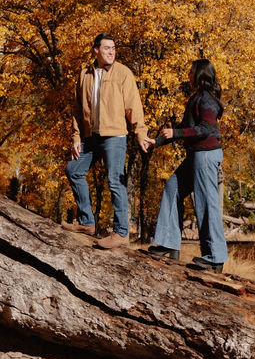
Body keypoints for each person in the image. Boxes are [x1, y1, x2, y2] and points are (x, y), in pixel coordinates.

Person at [65, 33, 151, 249]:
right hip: (90, 136)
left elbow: (134, 106)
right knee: (73, 170)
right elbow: (77, 107)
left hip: (115, 136)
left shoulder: (123, 73)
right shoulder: (85, 73)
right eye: (107, 48)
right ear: (96, 50)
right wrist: (76, 136)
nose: (111, 52)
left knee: (115, 181)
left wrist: (140, 133)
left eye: (113, 48)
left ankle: (121, 232)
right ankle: (86, 222)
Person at [146, 57, 228, 271]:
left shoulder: (207, 100)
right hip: (195, 156)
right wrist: (158, 141)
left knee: (207, 203)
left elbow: (204, 129)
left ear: (199, 74)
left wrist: (177, 132)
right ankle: (167, 242)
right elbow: (185, 127)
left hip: (206, 155)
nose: (188, 75)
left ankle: (215, 257)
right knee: (172, 188)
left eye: (191, 71)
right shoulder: (197, 98)